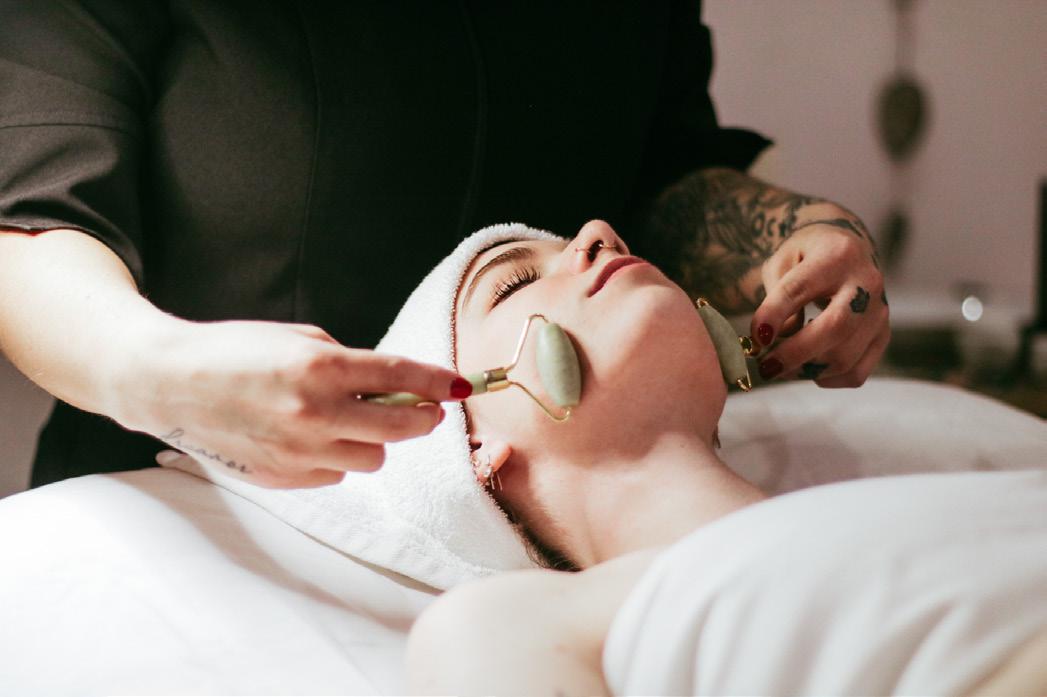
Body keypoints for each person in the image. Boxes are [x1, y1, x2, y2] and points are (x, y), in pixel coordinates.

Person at [0, 1, 886, 490]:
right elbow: (31, 223)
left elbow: (661, 169)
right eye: (510, 284)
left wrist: (795, 236)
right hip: (184, 500)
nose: (594, 237)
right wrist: (159, 371)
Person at [398, 221, 1045, 696]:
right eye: (514, 282)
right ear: (471, 447)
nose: (599, 233)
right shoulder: (504, 624)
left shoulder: (909, 500)